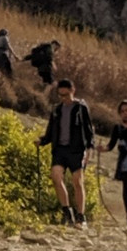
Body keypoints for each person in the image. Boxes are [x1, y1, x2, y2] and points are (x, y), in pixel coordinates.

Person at [36, 79, 94, 227]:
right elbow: (50, 132)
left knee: (77, 181)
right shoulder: (56, 110)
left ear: (73, 91)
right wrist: (42, 141)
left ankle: (81, 216)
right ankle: (67, 212)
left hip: (76, 150)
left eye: (66, 95)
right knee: (56, 176)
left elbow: (88, 130)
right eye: (60, 95)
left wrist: (89, 149)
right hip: (59, 150)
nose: (63, 98)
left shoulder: (81, 108)